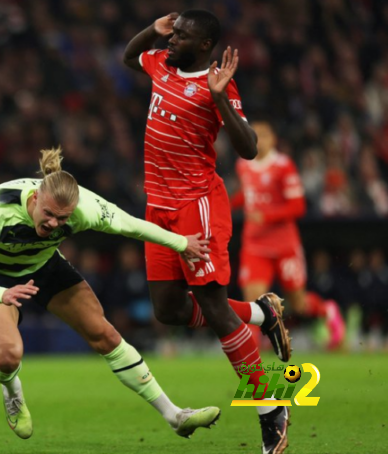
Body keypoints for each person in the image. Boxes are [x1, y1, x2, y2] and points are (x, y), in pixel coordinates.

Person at [0, 147, 219, 440]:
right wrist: (1, 294)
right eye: (49, 214)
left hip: (44, 267)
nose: (54, 223)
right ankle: (12, 391)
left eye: (63, 219)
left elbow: (130, 225)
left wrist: (181, 243)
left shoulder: (86, 208)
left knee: (104, 335)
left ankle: (175, 416)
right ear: (36, 196)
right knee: (7, 357)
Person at [123, 10, 291, 454]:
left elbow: (250, 148)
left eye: (181, 36)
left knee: (215, 309)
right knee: (169, 310)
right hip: (157, 208)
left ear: (203, 46)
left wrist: (218, 99)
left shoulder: (218, 84)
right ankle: (261, 314)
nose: (173, 40)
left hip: (197, 205)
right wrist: (151, 31)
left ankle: (271, 408)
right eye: (173, 33)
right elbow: (128, 57)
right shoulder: (161, 61)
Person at [232, 119, 346, 350]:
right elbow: (249, 194)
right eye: (256, 135)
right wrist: (226, 204)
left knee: (299, 302)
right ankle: (251, 353)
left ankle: (328, 310)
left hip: (284, 244)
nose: (259, 140)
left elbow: (298, 206)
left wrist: (266, 216)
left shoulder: (283, 166)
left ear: (273, 139)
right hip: (255, 243)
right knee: (253, 298)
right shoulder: (243, 165)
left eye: (264, 135)